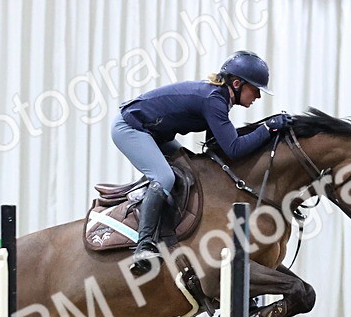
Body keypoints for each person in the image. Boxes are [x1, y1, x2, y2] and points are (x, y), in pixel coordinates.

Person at [112, 50, 290, 273]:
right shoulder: (213, 100)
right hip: (130, 128)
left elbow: (218, 145)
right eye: (256, 89)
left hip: (155, 134)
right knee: (164, 177)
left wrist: (266, 130)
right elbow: (234, 149)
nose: (258, 97)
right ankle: (144, 245)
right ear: (237, 83)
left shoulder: (219, 99)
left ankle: (169, 231)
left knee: (190, 169)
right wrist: (267, 128)